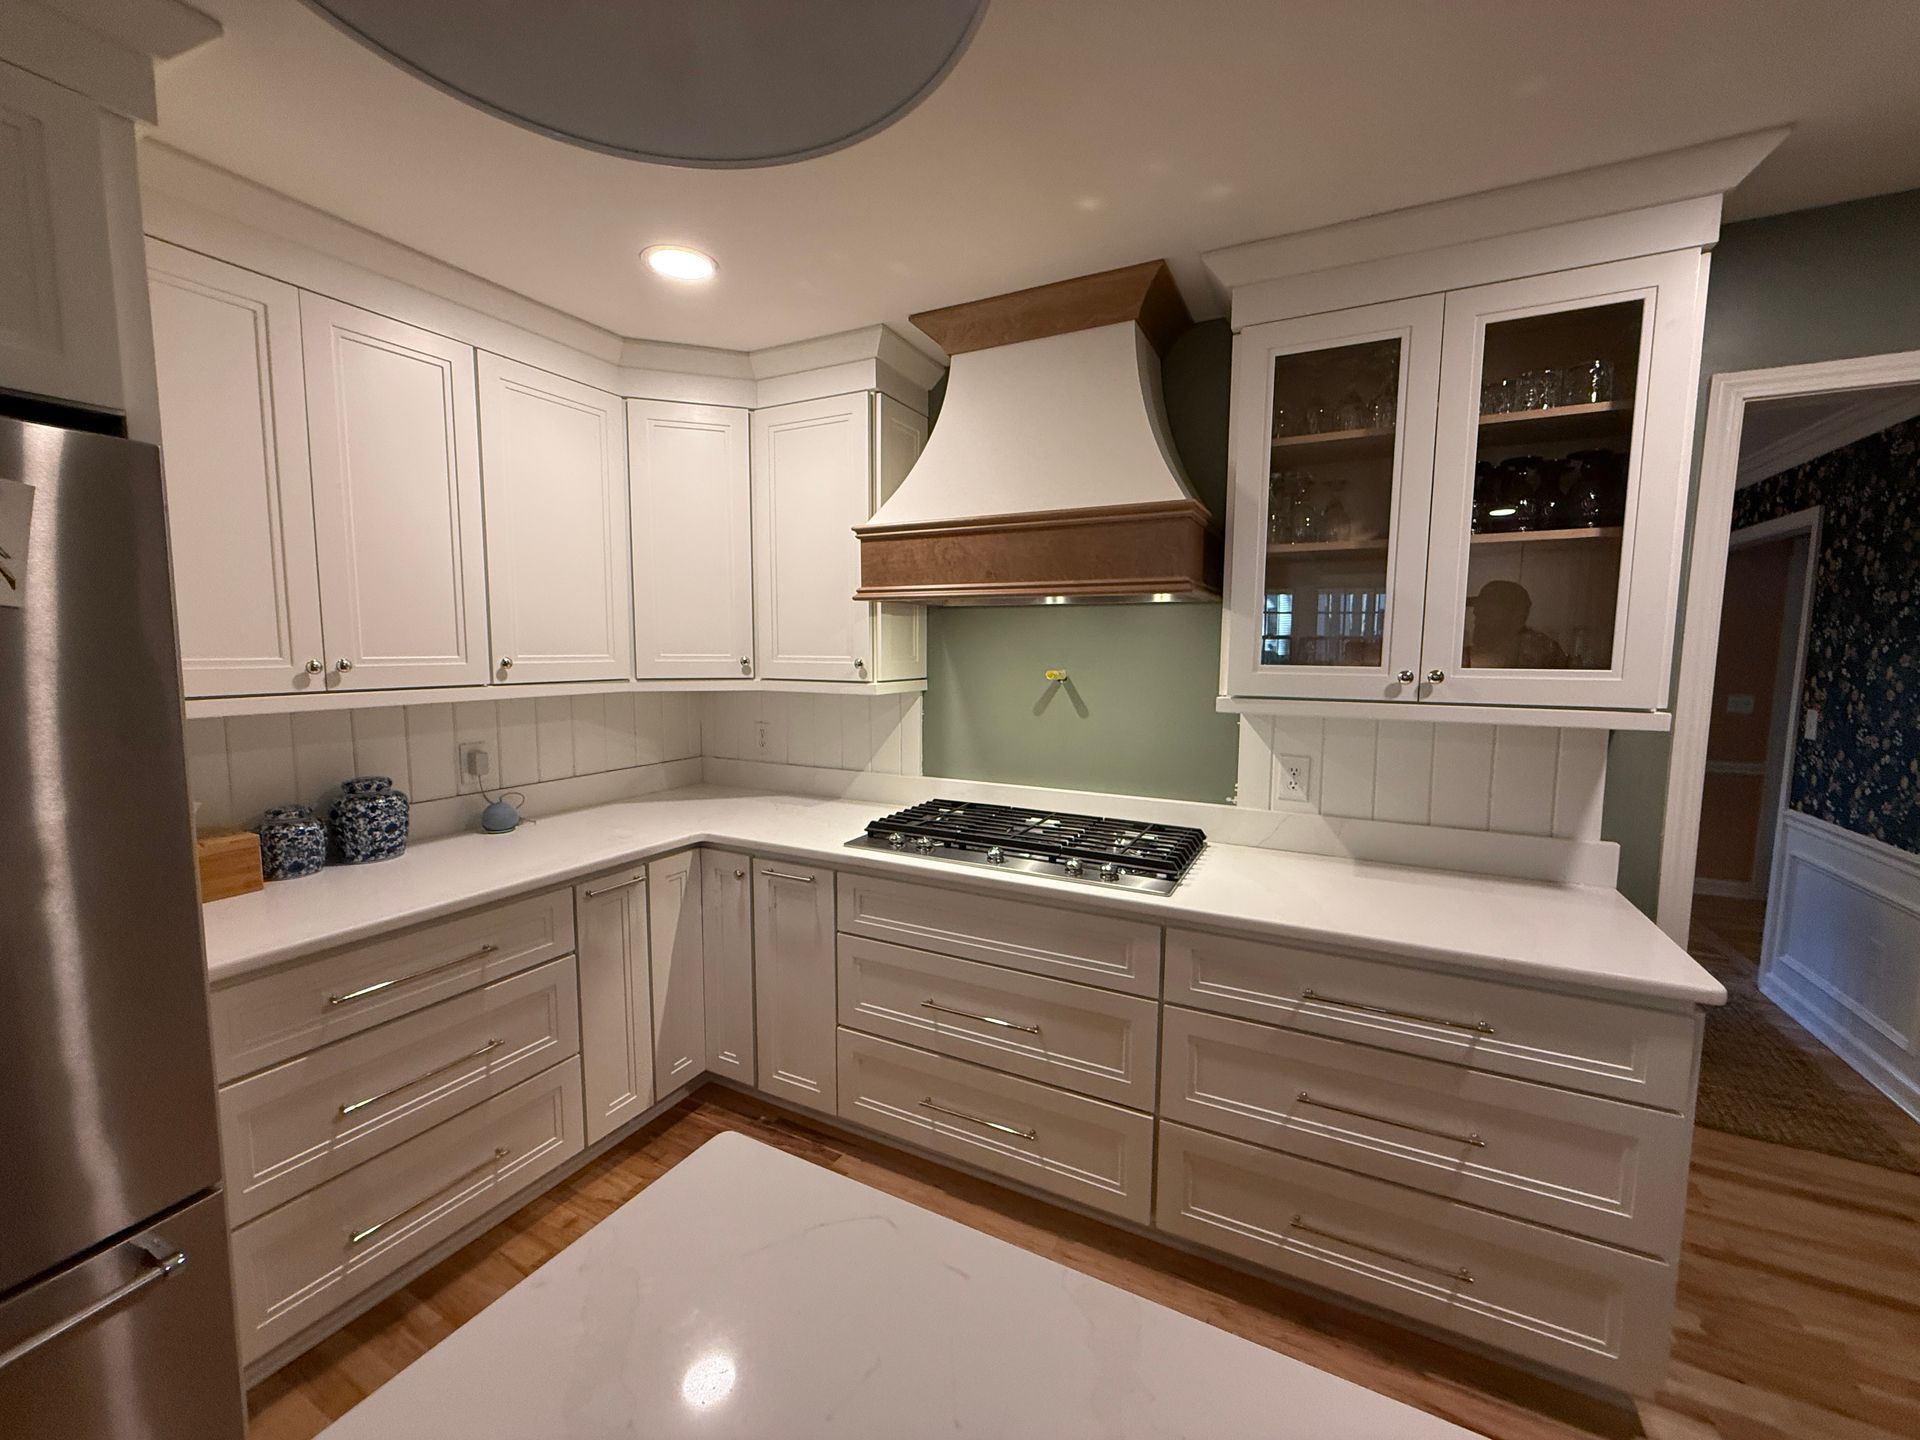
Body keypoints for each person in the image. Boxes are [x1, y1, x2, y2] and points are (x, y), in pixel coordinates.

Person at [1465, 579, 1568, 668]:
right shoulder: (1467, 656)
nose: (1477, 620)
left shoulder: (1545, 650)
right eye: (1478, 613)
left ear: (1517, 617)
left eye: (1488, 612)